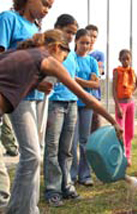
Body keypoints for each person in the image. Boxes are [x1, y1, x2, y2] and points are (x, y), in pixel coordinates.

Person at [0, 29, 122, 213]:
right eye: (64, 59)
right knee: (32, 156)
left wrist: (36, 83)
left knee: (32, 157)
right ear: (57, 47)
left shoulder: (20, 53)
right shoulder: (47, 59)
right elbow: (87, 98)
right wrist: (113, 121)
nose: (62, 65)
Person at [0, 0, 54, 213]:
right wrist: (33, 79)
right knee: (32, 155)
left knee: (34, 156)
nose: (46, 10)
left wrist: (41, 81)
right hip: (15, 96)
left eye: (50, 7)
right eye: (44, 3)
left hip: (35, 97)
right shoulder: (9, 19)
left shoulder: (37, 29)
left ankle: (30, 207)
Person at [43, 14, 79, 207]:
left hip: (71, 104)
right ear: (57, 28)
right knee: (52, 147)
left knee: (67, 149)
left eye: (73, 33)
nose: (71, 36)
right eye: (68, 32)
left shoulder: (71, 54)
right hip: (55, 104)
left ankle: (67, 185)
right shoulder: (51, 51)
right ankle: (52, 189)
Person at [71, 29, 100, 187]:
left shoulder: (92, 62)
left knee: (84, 141)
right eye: (82, 42)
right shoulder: (71, 58)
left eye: (87, 43)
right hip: (72, 103)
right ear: (76, 41)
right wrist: (85, 82)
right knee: (71, 141)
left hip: (87, 104)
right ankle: (72, 175)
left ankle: (85, 174)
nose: (84, 46)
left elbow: (95, 84)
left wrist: (76, 80)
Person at [112, 49, 137, 166]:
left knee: (130, 131)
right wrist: (117, 106)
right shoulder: (117, 72)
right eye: (123, 59)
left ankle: (128, 156)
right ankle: (120, 155)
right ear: (119, 60)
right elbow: (114, 89)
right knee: (120, 131)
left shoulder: (132, 72)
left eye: (128, 59)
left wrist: (132, 92)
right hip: (121, 103)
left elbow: (136, 84)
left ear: (131, 59)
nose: (125, 61)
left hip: (130, 103)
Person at [85, 24, 105, 133]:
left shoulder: (99, 54)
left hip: (95, 96)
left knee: (95, 129)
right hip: (80, 96)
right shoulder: (77, 54)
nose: (92, 39)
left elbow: (100, 72)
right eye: (90, 35)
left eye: (95, 36)